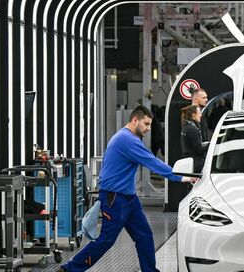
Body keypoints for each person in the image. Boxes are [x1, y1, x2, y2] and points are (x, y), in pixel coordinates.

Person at [62, 106, 197, 272]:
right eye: (146, 124)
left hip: (129, 198)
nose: (148, 129)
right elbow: (152, 161)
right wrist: (181, 176)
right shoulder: (127, 140)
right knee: (106, 240)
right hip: (115, 199)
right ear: (135, 120)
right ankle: (70, 269)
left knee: (144, 236)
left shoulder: (127, 138)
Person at [180, 104, 209, 172]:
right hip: (196, 163)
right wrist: (211, 144)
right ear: (193, 115)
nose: (201, 115)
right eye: (199, 113)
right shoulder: (192, 129)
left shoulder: (186, 127)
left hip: (190, 162)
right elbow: (199, 149)